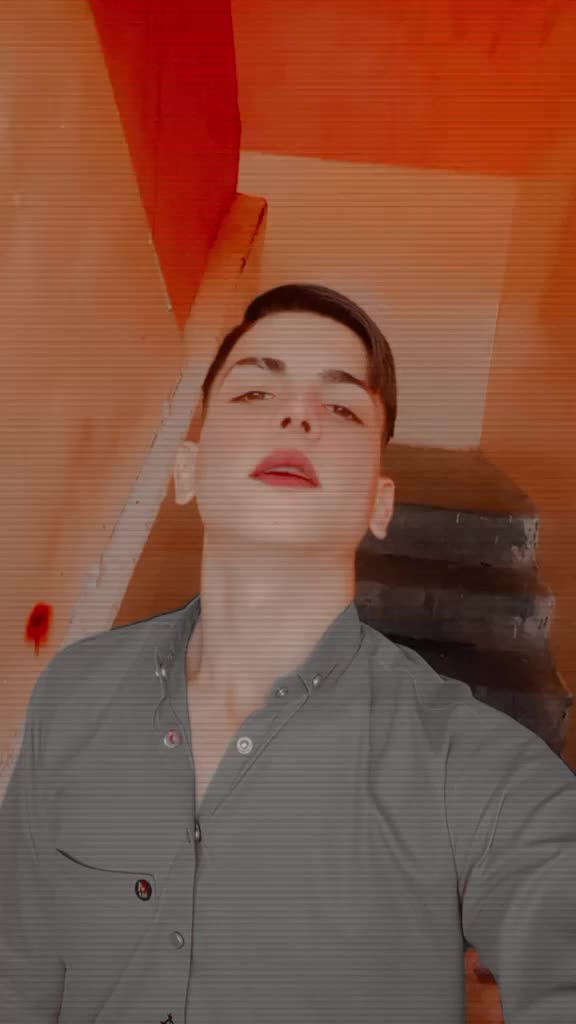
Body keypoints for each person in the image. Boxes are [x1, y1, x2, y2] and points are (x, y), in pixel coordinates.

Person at [1, 282, 575, 1024]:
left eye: (341, 408)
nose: (297, 415)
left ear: (379, 502)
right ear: (185, 470)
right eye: (253, 393)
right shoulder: (75, 694)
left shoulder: (466, 767)